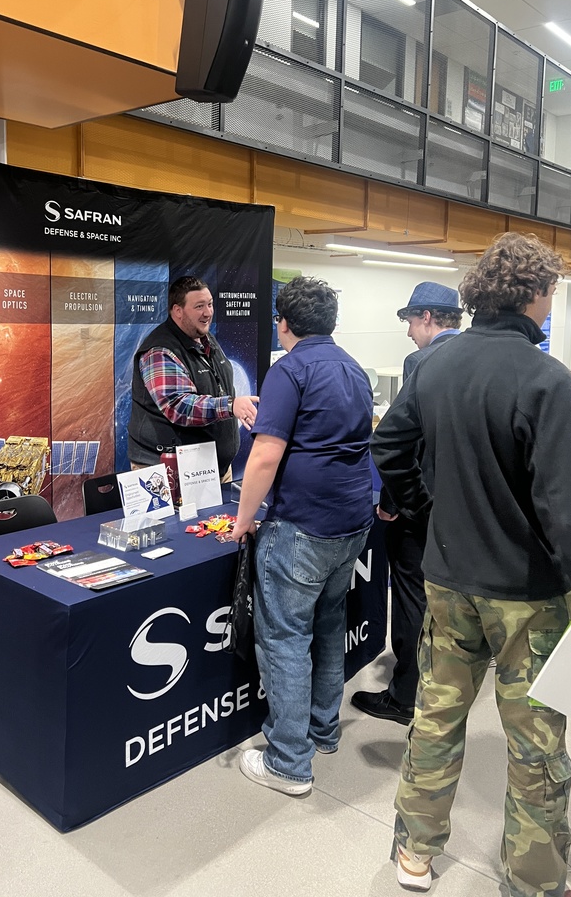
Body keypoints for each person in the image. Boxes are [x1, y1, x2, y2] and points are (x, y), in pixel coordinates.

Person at [371, 232, 571, 896]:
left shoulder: (434, 367)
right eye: (551, 291)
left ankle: (415, 854)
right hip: (527, 596)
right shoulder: (544, 380)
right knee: (537, 742)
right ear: (535, 295)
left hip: (447, 581)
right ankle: (535, 877)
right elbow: (569, 512)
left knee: (435, 716)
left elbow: (388, 446)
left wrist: (423, 510)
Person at [230, 276, 373, 796]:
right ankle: (322, 730)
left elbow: (266, 454)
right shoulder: (353, 368)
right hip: (351, 522)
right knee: (329, 622)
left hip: (303, 525)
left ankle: (289, 762)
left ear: (282, 323)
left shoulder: (290, 370)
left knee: (286, 636)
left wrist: (245, 520)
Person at [352, 282, 463, 726]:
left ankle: (405, 694)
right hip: (463, 504)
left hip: (424, 505)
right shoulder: (475, 354)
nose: (409, 333)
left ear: (428, 318)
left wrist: (397, 501)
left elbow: (398, 442)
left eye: (411, 322)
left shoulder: (423, 360)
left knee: (414, 596)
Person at [127, 275, 258, 480]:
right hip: (171, 472)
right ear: (178, 310)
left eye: (210, 304)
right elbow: (178, 405)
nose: (208, 313)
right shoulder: (160, 351)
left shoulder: (205, 339)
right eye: (199, 306)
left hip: (212, 469)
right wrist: (230, 405)